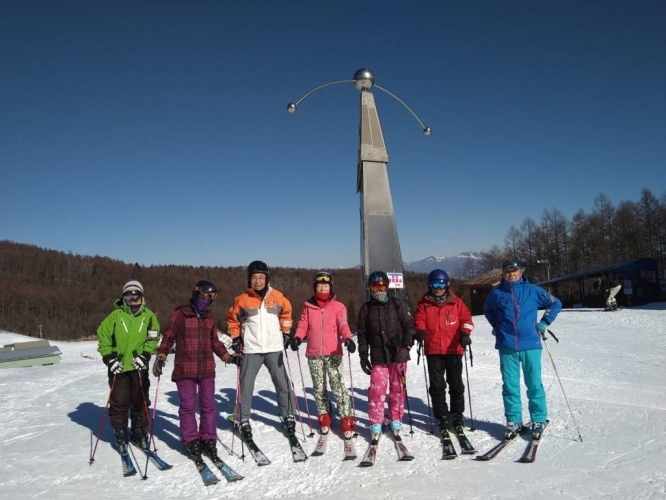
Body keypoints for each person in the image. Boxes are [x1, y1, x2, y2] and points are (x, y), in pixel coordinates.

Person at [152, 280, 236, 463]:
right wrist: (161, 356)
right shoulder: (181, 314)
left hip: (206, 368)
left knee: (208, 406)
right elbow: (169, 336)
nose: (208, 300)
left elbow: (214, 341)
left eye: (212, 297)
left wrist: (227, 357)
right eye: (206, 296)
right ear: (196, 293)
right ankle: (191, 440)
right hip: (185, 368)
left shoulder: (210, 318)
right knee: (188, 406)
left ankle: (208, 438)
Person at [483, 261, 562, 439]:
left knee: (534, 384)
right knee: (510, 386)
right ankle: (513, 421)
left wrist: (545, 322)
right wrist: (496, 325)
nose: (511, 274)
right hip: (507, 345)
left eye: (514, 271)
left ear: (520, 272)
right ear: (503, 274)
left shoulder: (532, 290)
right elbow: (488, 310)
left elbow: (555, 303)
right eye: (508, 271)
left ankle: (538, 419)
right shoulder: (496, 293)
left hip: (531, 344)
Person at [226, 260, 296, 440]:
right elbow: (232, 319)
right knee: (246, 385)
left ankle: (287, 414)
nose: (257, 281)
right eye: (254, 277)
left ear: (267, 279)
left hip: (274, 347)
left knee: (282, 384)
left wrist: (286, 332)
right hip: (251, 348)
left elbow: (287, 314)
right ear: (249, 279)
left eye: (261, 277)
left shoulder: (278, 297)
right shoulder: (242, 299)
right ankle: (242, 418)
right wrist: (236, 337)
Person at [290, 271, 356, 437]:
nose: (322, 288)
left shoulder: (338, 307)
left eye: (326, 285)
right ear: (314, 287)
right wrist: (298, 337)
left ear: (331, 287)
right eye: (319, 285)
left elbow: (343, 324)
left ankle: (346, 417)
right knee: (319, 388)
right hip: (314, 354)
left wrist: (348, 338)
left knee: (338, 386)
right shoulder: (308, 306)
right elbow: (303, 324)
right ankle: (324, 416)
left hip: (333, 352)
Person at [96, 280, 160, 450]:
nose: (132, 298)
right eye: (128, 295)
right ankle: (120, 433)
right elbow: (103, 337)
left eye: (135, 294)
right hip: (119, 367)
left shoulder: (149, 316)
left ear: (141, 296)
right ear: (123, 297)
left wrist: (146, 355)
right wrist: (109, 358)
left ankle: (139, 432)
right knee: (119, 401)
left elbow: (153, 337)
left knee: (141, 401)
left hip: (139, 366)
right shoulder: (115, 316)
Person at [414, 269, 474, 435]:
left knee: (456, 384)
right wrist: (420, 330)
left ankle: (457, 413)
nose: (437, 287)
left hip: (453, 349)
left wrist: (465, 333)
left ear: (447, 284)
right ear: (429, 285)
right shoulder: (424, 303)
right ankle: (441, 415)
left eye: (441, 284)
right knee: (437, 386)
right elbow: (419, 319)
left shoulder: (456, 302)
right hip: (433, 349)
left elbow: (467, 320)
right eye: (434, 284)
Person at [357, 271, 415, 438]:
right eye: (375, 286)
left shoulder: (398, 305)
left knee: (398, 389)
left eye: (382, 286)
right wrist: (363, 355)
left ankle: (396, 418)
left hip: (398, 356)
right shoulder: (366, 309)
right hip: (378, 358)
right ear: (370, 288)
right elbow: (362, 334)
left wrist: (406, 348)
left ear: (387, 286)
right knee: (376, 391)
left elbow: (409, 328)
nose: (379, 290)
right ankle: (376, 421)